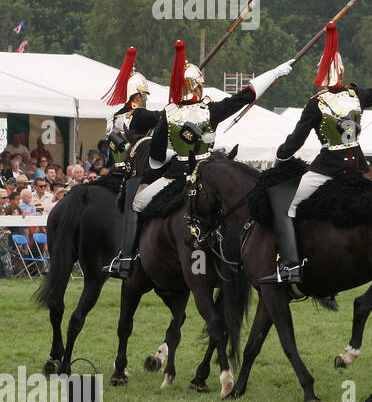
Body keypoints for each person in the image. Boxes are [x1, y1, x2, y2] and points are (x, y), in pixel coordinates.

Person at [108, 40, 292, 279]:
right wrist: (275, 72)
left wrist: (174, 150)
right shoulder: (210, 111)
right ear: (197, 88)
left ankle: (128, 258)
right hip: (211, 171)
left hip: (177, 174)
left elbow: (155, 159)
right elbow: (246, 95)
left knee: (137, 204)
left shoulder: (167, 113)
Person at [264, 23, 372, 284]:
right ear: (341, 70)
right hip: (358, 168)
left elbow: (295, 141)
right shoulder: (357, 94)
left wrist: (281, 155)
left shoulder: (316, 103)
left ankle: (290, 266)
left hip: (327, 168)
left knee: (288, 206)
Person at [101, 48, 163, 276]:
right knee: (141, 207)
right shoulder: (141, 115)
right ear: (137, 96)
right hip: (137, 174)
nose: (146, 99)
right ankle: (128, 256)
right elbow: (160, 117)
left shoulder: (114, 117)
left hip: (114, 170)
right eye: (145, 95)